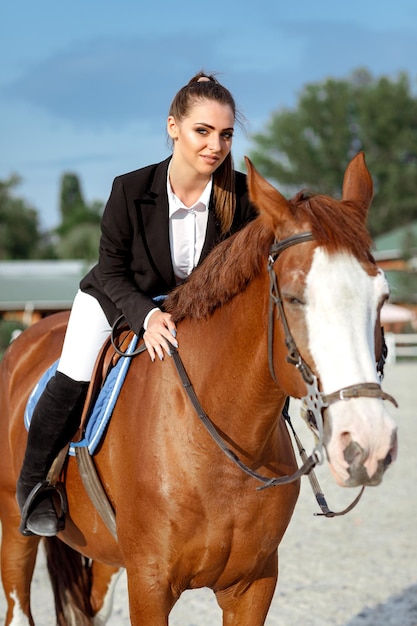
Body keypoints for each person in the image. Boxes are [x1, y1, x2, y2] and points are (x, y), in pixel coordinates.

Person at [16, 71, 257, 537]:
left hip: (195, 309)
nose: (215, 145)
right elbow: (110, 270)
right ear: (173, 128)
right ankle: (34, 485)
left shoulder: (242, 197)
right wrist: (145, 315)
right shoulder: (129, 188)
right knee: (75, 372)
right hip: (115, 296)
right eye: (202, 131)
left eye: (225, 134)